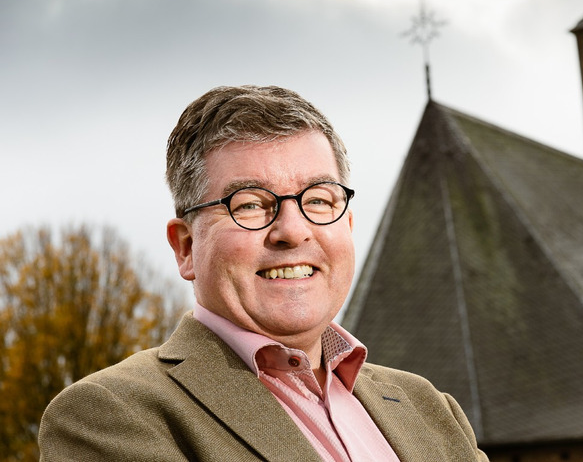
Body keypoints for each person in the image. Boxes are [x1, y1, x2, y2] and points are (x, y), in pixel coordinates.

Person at [38, 85, 488, 461]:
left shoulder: (430, 409)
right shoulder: (110, 414)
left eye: (319, 200)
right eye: (250, 204)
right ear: (186, 247)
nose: (292, 231)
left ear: (347, 225)